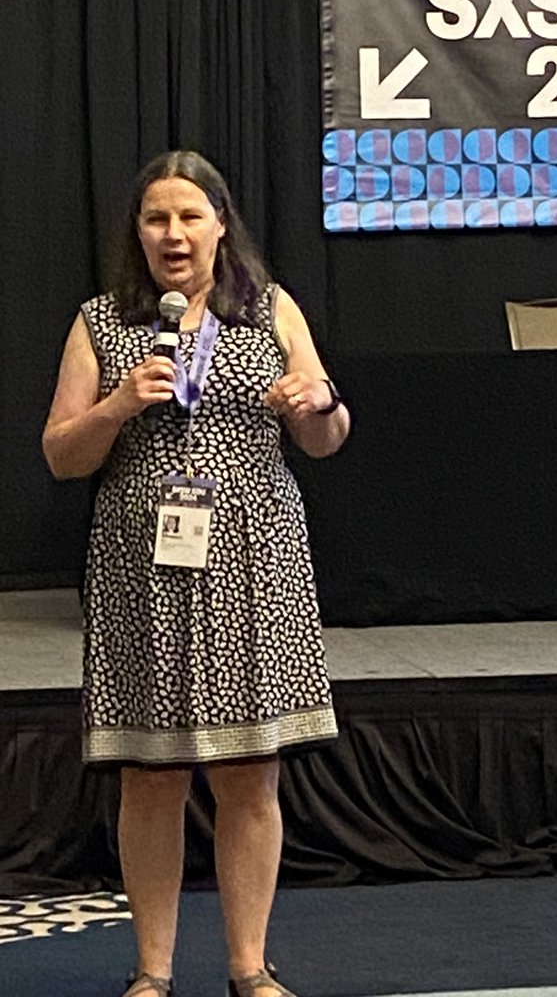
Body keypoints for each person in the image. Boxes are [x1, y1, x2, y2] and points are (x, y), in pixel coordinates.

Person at [42, 149, 350, 997]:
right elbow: (62, 455)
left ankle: (250, 970)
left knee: (252, 772)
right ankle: (152, 972)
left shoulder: (271, 309)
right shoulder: (102, 322)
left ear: (221, 223)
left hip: (256, 564)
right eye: (155, 219)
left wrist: (318, 404)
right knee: (152, 774)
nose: (173, 235)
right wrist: (115, 405)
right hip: (143, 572)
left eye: (189, 216)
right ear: (136, 234)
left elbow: (327, 433)